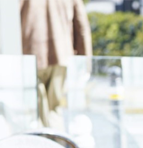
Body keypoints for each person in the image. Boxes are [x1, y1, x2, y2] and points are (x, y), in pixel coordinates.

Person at [20, 0, 92, 128]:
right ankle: (55, 142)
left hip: (30, 54)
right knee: (54, 108)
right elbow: (81, 26)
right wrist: (84, 60)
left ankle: (45, 142)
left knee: (35, 109)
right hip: (60, 55)